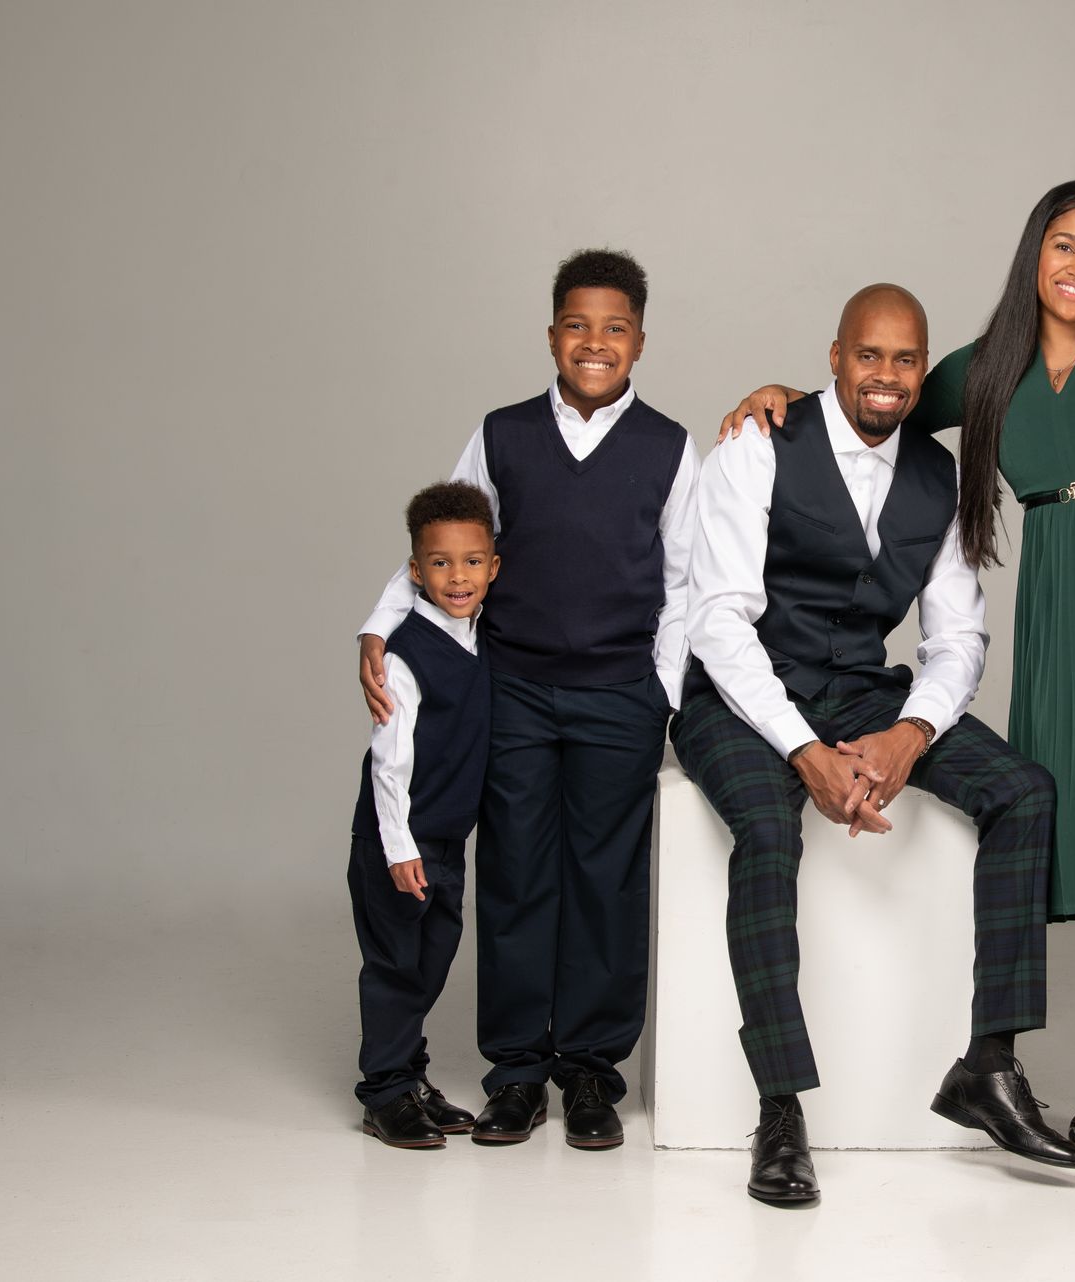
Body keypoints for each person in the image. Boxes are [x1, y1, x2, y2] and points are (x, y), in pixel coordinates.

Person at [720, 180, 1075, 1183]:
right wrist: (778, 395)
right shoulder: (981, 369)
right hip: (1068, 596)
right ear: (1034, 250)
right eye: (1066, 245)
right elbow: (869, 399)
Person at [676, 283, 1075, 1208]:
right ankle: (780, 1108)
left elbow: (959, 637)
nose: (888, 376)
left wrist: (910, 732)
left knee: (1025, 790)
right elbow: (718, 622)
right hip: (737, 697)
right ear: (835, 358)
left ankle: (989, 1066)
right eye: (869, 355)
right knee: (770, 832)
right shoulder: (757, 444)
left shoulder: (942, 476)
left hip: (864, 690)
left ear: (922, 368)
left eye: (907, 359)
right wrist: (803, 750)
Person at [356, 249, 698, 1149]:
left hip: (619, 698)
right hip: (511, 694)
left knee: (606, 882)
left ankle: (588, 1070)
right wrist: (378, 627)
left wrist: (659, 692)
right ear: (551, 337)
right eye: (577, 325)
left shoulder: (669, 447)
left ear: (640, 343)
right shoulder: (501, 435)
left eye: (615, 328)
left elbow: (685, 582)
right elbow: (444, 543)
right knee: (514, 874)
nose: (595, 342)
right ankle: (515, 1071)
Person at [348, 481, 497, 1148]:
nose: (457, 577)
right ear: (415, 571)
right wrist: (399, 847)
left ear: (493, 567)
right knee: (395, 966)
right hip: (398, 843)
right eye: (440, 563)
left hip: (445, 841)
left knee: (432, 959)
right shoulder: (405, 654)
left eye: (472, 562)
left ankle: (410, 1077)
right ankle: (384, 1092)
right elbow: (389, 762)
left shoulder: (481, 634)